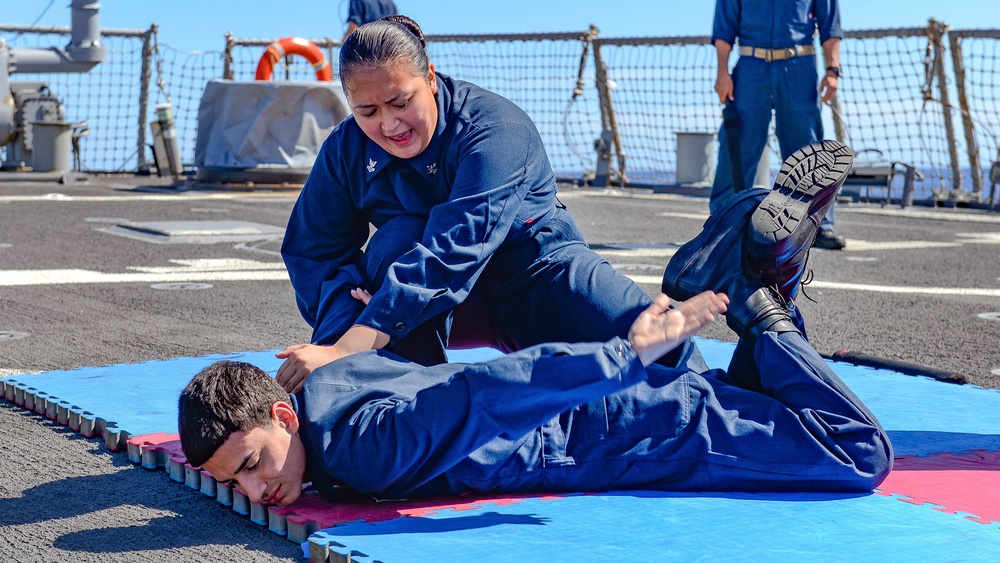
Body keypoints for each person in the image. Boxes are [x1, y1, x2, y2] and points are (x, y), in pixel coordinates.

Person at [179, 140, 892, 506]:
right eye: (230, 481)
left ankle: (758, 300)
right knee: (754, 396)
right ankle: (759, 289)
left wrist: (627, 353)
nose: (253, 489)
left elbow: (489, 392)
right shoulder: (322, 381)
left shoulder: (364, 447)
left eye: (250, 464)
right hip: (612, 418)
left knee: (861, 455)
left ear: (283, 412)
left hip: (626, 434)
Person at [278, 16, 653, 393]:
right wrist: (333, 346)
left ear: (429, 79)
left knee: (657, 337)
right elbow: (314, 253)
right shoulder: (346, 149)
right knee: (396, 243)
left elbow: (454, 250)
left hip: (537, 280)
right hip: (443, 309)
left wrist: (354, 341)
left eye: (400, 102)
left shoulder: (495, 129)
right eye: (368, 112)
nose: (390, 125)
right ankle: (395, 398)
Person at [709, 0, 847, 250]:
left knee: (807, 151)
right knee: (738, 149)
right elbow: (724, 26)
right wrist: (722, 71)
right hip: (750, 67)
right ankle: (723, 223)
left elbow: (830, 24)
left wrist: (833, 70)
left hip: (799, 67)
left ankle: (817, 226)